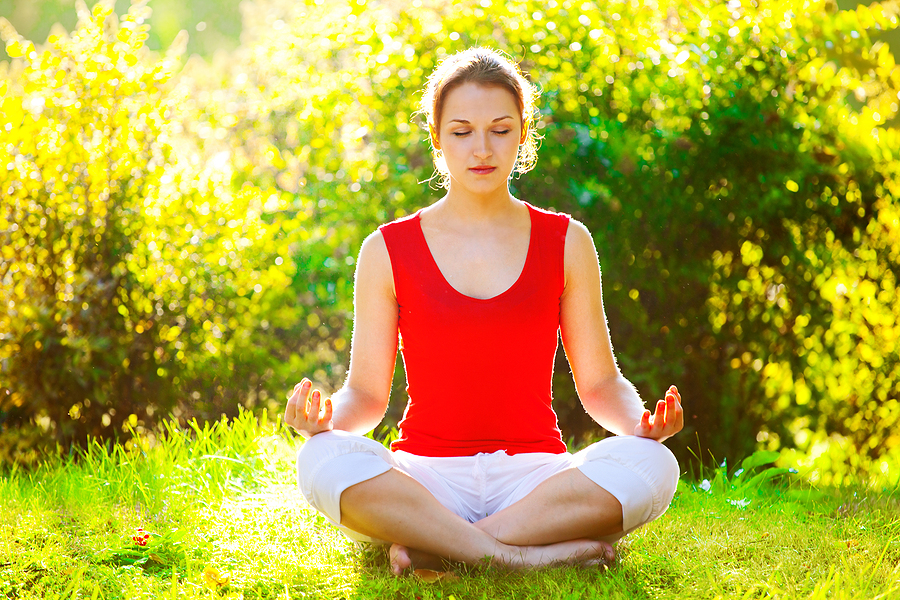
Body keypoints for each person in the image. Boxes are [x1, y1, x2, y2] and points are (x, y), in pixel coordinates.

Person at [284, 47, 683, 576]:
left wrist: (640, 423)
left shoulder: (566, 241)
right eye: (461, 131)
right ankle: (517, 558)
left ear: (523, 135)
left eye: (499, 129)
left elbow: (600, 384)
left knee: (654, 464)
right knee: (318, 459)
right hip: (425, 479)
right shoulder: (387, 249)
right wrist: (326, 419)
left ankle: (436, 548)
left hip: (535, 480)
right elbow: (367, 395)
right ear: (436, 139)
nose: (481, 149)